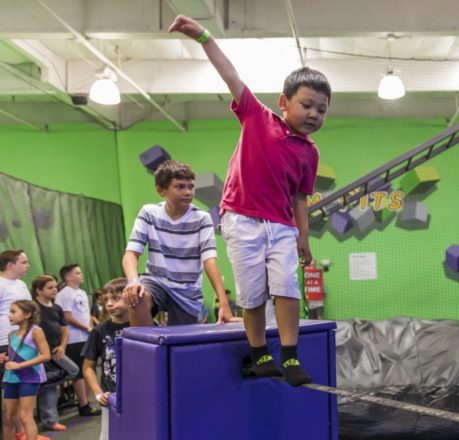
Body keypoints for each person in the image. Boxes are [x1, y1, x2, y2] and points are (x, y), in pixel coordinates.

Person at [168, 14, 328, 386]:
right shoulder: (257, 116)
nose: (313, 114)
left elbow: (300, 196)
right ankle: (259, 353)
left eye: (321, 109)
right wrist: (203, 35)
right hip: (241, 219)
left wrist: (304, 236)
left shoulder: (310, 152)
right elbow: (229, 74)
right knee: (252, 294)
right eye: (306, 105)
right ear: (284, 102)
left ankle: (289, 356)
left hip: (282, 225)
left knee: (287, 288)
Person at [122, 160, 234, 327]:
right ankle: (146, 347)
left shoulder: (202, 218)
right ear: (161, 190)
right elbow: (131, 253)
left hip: (187, 292)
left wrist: (224, 304)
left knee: (181, 344)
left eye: (191, 186)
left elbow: (210, 262)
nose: (188, 192)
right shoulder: (148, 213)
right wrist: (133, 281)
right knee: (136, 297)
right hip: (156, 281)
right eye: (180, 187)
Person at [82, 278, 130, 440]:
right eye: (106, 300)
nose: (109, 304)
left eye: (115, 299)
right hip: (112, 398)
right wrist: (98, 394)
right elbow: (88, 367)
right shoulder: (99, 331)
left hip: (139, 397)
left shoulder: (147, 326)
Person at [32, 275, 79, 432]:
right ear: (39, 290)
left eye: (55, 287)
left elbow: (64, 329)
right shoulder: (34, 308)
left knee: (72, 371)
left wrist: (62, 347)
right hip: (40, 354)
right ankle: (50, 421)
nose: (55, 290)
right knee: (53, 386)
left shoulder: (56, 308)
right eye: (50, 288)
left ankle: (41, 383)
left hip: (55, 351)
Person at [1, 300, 50, 440]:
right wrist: (5, 359)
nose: (9, 315)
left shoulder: (36, 331)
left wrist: (20, 366)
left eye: (13, 311)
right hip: (11, 377)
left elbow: (46, 356)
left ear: (27, 314)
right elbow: (12, 358)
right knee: (8, 418)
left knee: (25, 417)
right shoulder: (11, 335)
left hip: (29, 377)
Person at [55, 264, 99, 417]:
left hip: (86, 336)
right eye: (77, 273)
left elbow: (86, 315)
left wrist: (91, 329)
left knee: (88, 369)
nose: (81, 275)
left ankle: (86, 402)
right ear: (68, 277)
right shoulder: (64, 294)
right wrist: (85, 328)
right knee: (79, 372)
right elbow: (67, 316)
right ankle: (83, 405)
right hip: (74, 339)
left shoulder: (81, 292)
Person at [0, 250, 32, 433]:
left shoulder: (21, 284)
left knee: (23, 389)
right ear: (10, 265)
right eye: (23, 262)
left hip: (25, 343)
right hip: (5, 344)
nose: (27, 265)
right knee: (10, 393)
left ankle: (22, 433)